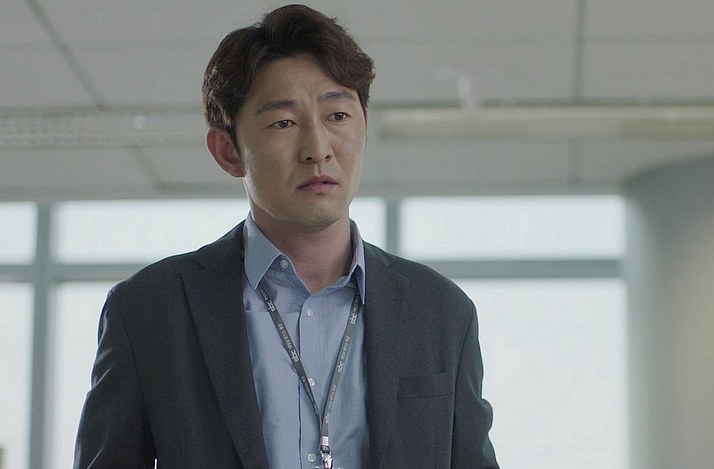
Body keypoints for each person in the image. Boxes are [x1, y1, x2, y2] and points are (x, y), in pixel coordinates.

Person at [73, 4, 498, 469]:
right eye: (284, 123)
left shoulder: (440, 311)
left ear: (364, 125)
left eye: (338, 115)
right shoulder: (150, 311)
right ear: (228, 151)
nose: (318, 149)